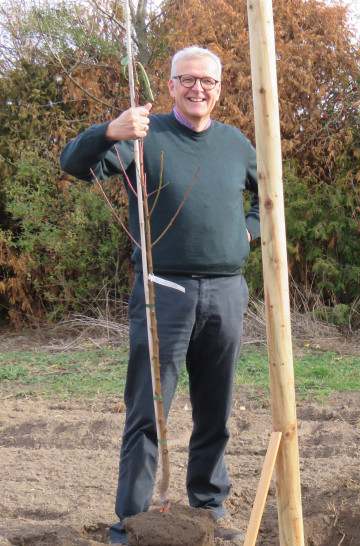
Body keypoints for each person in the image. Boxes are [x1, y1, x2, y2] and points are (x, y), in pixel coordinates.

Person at [60, 46, 259, 544]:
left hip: (226, 292)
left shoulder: (237, 145)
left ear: (218, 88)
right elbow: (73, 165)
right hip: (161, 293)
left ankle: (208, 508)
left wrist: (249, 233)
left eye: (207, 82)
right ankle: (132, 520)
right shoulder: (143, 138)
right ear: (170, 86)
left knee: (216, 409)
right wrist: (111, 130)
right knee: (149, 411)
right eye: (187, 80)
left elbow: (269, 197)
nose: (198, 90)